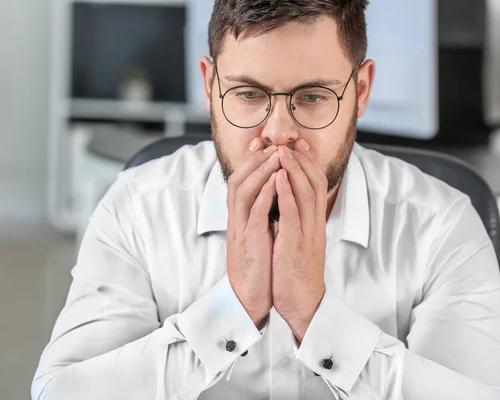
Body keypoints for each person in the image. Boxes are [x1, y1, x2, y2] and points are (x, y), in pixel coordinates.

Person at [32, 1, 500, 399]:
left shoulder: (443, 223)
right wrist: (230, 311)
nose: (278, 133)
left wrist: (316, 318)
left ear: (360, 92)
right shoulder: (139, 204)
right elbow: (60, 391)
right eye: (249, 94)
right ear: (210, 88)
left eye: (313, 96)